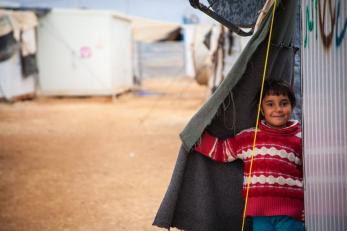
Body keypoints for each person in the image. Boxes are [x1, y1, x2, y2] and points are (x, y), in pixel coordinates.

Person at [194, 80, 304, 231]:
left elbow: (311, 175)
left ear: (292, 107)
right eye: (270, 104)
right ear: (261, 109)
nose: (278, 109)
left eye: (284, 103)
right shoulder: (248, 137)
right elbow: (222, 151)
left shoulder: (301, 137)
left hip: (292, 214)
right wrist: (195, 137)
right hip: (259, 214)